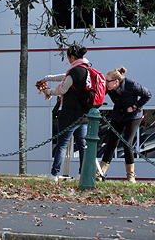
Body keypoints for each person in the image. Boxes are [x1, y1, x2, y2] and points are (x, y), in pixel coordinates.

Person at [37, 44, 89, 182]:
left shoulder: (75, 70)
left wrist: (48, 91)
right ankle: (82, 174)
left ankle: (54, 175)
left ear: (72, 57)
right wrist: (47, 78)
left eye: (68, 57)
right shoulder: (86, 68)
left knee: (61, 145)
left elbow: (62, 89)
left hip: (70, 114)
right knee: (82, 146)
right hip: (83, 115)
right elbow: (66, 77)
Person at [97, 67, 151, 183]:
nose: (105, 83)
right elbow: (99, 94)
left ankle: (131, 175)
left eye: (107, 81)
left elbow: (147, 94)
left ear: (116, 81)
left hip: (133, 116)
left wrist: (135, 106)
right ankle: (100, 173)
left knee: (127, 143)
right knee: (111, 143)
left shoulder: (131, 85)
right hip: (118, 115)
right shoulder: (109, 88)